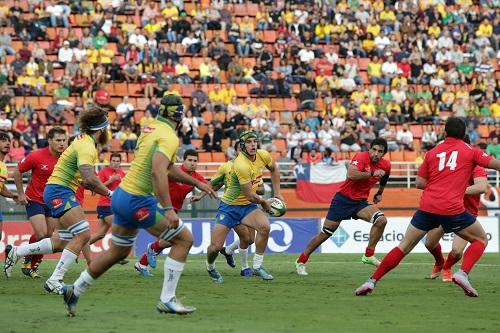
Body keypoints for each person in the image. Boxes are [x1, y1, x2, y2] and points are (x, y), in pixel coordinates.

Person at [58, 93, 216, 317]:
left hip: (122, 196)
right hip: (138, 200)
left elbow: (167, 168)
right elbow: (157, 171)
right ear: (180, 115)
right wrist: (169, 209)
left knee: (118, 252)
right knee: (184, 239)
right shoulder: (170, 137)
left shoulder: (150, 128)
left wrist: (197, 182)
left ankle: (74, 289)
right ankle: (168, 299)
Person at [355, 117, 500, 297]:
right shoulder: (471, 151)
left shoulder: (432, 152)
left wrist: (438, 186)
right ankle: (462, 273)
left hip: (428, 206)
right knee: (480, 240)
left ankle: (371, 281)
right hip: (452, 208)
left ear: (445, 132)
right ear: (464, 134)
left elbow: (419, 182)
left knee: (404, 246)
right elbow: (495, 165)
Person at [4, 106, 112, 297]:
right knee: (83, 235)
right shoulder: (87, 146)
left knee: (61, 241)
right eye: (107, 128)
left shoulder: (82, 140)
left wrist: (95, 186)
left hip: (56, 190)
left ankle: (17, 251)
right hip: (59, 191)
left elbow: (84, 179)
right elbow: (89, 179)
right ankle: (55, 280)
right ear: (101, 129)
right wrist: (111, 194)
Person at [295, 138, 391, 276]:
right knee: (325, 234)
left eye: (380, 151)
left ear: (384, 154)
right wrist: (371, 173)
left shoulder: (386, 165)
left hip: (360, 203)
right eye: (374, 150)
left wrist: (379, 193)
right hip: (343, 200)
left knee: (381, 220)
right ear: (369, 149)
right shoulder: (361, 157)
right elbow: (350, 174)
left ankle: (368, 255)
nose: (376, 153)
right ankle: (301, 261)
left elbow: (385, 177)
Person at [205, 130, 283, 283]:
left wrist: (278, 193)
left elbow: (274, 169)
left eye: (254, 141)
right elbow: (249, 195)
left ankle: (258, 266)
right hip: (229, 207)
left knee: (264, 227)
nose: (253, 144)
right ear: (242, 146)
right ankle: (210, 266)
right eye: (248, 142)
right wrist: (264, 202)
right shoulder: (241, 164)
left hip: (247, 207)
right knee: (214, 247)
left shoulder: (263, 155)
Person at [192, 141, 265, 274]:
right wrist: (200, 195)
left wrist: (251, 188)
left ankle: (228, 250)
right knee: (243, 239)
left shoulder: (253, 167)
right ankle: (244, 267)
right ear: (236, 151)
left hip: (249, 205)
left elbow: (262, 189)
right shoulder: (226, 167)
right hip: (232, 207)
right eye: (239, 150)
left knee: (250, 239)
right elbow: (215, 184)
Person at [134, 149, 208, 276]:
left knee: (168, 239)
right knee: (176, 238)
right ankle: (152, 248)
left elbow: (207, 186)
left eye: (195, 161)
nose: (192, 163)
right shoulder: (176, 172)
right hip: (161, 206)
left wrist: (200, 196)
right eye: (189, 160)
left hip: (174, 211)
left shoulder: (196, 177)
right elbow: (158, 175)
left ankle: (142, 264)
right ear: (183, 161)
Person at [424, 135, 488, 282]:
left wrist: (457, 190)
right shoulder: (447, 165)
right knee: (429, 243)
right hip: (445, 209)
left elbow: (482, 187)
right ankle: (439, 262)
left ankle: (447, 267)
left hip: (465, 214)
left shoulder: (476, 165)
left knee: (457, 251)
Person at [13, 127, 68, 279]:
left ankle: (31, 264)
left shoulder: (67, 157)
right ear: (49, 141)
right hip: (34, 199)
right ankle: (26, 257)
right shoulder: (36, 155)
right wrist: (21, 193)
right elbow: (17, 171)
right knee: (42, 234)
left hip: (52, 201)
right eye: (58, 140)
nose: (62, 143)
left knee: (49, 236)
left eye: (64, 140)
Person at [89, 153, 126, 263]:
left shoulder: (122, 173)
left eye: (117, 161)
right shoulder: (104, 171)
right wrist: (111, 180)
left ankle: (77, 247)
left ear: (120, 162)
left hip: (116, 206)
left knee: (100, 234)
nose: (115, 163)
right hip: (105, 205)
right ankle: (116, 255)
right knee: (118, 227)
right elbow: (97, 187)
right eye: (113, 161)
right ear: (110, 162)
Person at [0, 132, 19, 249]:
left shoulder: (3, 166)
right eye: (3, 140)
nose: (7, 143)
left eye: (8, 141)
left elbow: (1, 187)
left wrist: (12, 195)